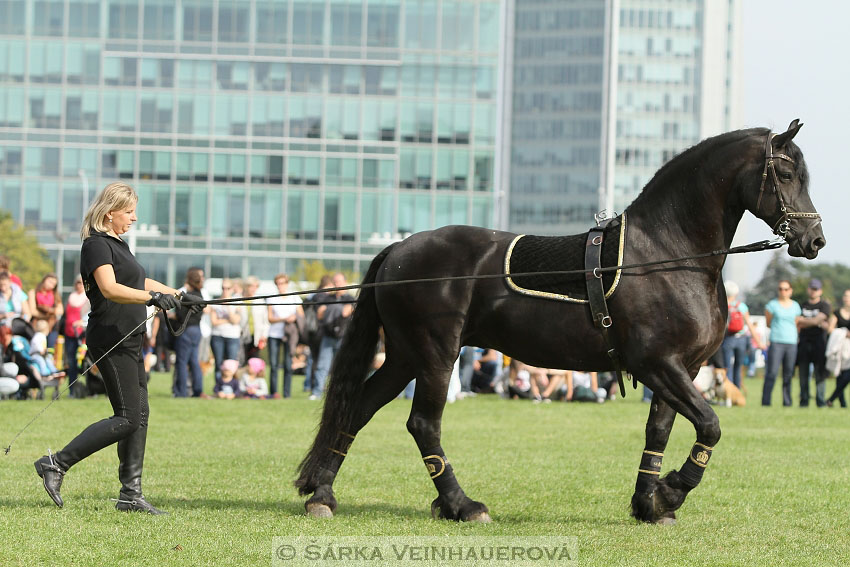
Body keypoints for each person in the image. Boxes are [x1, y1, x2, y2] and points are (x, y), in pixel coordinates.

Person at [33, 182, 190, 514]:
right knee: (128, 417)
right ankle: (56, 463)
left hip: (130, 336)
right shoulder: (95, 245)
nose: (134, 217)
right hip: (110, 336)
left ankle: (130, 494)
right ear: (110, 213)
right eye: (129, 212)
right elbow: (110, 288)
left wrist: (179, 295)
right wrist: (152, 298)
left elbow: (138, 281)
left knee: (139, 415)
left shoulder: (118, 244)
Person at [311, 273, 354, 400]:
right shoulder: (327, 298)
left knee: (343, 366)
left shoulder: (350, 298)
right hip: (328, 336)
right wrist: (338, 310)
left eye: (339, 282)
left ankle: (342, 393)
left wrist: (330, 310)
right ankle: (317, 392)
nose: (337, 284)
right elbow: (320, 315)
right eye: (335, 282)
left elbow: (347, 313)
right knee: (322, 366)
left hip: (344, 337)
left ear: (345, 282)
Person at [762, 280, 802, 406]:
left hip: (791, 343)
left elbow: (796, 322)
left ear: (790, 291)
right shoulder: (772, 305)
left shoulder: (795, 306)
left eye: (785, 289)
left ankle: (787, 402)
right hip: (776, 342)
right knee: (772, 373)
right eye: (780, 289)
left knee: (788, 374)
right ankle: (766, 402)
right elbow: (768, 323)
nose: (783, 291)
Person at [721, 281, 765, 389]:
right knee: (738, 366)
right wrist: (759, 342)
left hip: (727, 339)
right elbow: (749, 325)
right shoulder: (741, 306)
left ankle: (729, 392)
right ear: (736, 293)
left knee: (727, 367)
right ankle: (737, 391)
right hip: (741, 339)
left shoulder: (721, 305)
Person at [267, 274, 303, 399]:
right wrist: (283, 319)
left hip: (289, 336)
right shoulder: (272, 298)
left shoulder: (295, 298)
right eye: (278, 283)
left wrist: (294, 318)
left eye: (282, 283)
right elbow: (270, 318)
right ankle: (273, 393)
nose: (280, 286)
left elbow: (301, 315)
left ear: (287, 284)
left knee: (288, 364)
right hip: (274, 334)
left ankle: (287, 394)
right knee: (273, 365)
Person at [796, 278, 831, 407]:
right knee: (803, 375)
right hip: (804, 344)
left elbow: (815, 321)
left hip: (819, 344)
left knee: (819, 374)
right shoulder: (802, 305)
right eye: (811, 289)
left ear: (820, 291)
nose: (813, 291)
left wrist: (804, 321)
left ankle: (820, 402)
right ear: (808, 289)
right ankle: (804, 401)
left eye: (816, 289)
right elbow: (798, 322)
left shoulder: (824, 305)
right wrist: (816, 322)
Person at [172, 267, 206, 398]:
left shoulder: (187, 296)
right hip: (197, 330)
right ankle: (198, 390)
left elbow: (180, 314)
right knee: (194, 361)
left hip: (186, 330)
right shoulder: (200, 295)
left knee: (181, 362)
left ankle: (181, 392)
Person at [209, 278, 243, 385]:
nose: (225, 290)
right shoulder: (215, 302)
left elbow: (236, 320)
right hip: (217, 336)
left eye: (228, 288)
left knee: (231, 364)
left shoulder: (237, 302)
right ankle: (219, 387)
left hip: (232, 336)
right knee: (219, 363)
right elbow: (214, 322)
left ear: (232, 289)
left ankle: (231, 387)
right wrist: (228, 320)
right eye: (223, 288)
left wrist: (228, 306)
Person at [63, 275, 90, 398]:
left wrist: (82, 323)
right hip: (69, 334)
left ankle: (90, 389)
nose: (80, 285)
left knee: (86, 363)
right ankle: (72, 390)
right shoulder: (70, 297)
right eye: (78, 282)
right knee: (71, 363)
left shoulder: (88, 299)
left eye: (82, 283)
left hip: (83, 335)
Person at [826, 289, 850, 407]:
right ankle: (842, 403)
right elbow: (830, 329)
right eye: (845, 296)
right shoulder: (837, 313)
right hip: (840, 346)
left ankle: (831, 399)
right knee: (840, 375)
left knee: (847, 375)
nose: (847, 298)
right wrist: (843, 333)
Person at [239, 276, 269, 364]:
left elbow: (265, 321)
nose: (253, 289)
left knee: (254, 362)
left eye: (256, 286)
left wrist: (264, 335)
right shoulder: (238, 299)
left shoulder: (260, 301)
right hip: (241, 336)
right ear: (246, 286)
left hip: (256, 336)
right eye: (251, 286)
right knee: (241, 361)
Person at [28, 273, 64, 344]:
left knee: (50, 347)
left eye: (54, 284)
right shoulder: (33, 292)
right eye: (50, 282)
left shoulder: (55, 294)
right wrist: (45, 315)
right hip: (37, 324)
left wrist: (50, 310)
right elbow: (33, 311)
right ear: (44, 280)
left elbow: (60, 310)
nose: (51, 285)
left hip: (51, 325)